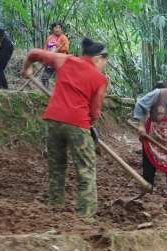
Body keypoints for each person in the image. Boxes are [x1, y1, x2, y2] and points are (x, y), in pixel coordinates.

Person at [20, 38, 109, 216]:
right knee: (86, 170)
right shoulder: (100, 79)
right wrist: (89, 125)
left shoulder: (65, 60)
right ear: (98, 58)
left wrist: (26, 68)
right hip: (78, 124)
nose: (104, 66)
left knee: (57, 166)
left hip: (53, 121)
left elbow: (33, 54)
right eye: (105, 62)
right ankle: (85, 215)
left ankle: (55, 208)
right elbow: (95, 111)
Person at [42, 22, 70, 87]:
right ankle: (45, 91)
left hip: (61, 61)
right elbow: (45, 48)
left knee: (61, 79)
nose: (57, 29)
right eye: (55, 27)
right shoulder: (49, 38)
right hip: (50, 60)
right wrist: (44, 57)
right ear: (53, 29)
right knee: (45, 78)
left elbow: (66, 49)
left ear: (61, 29)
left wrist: (58, 46)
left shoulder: (64, 38)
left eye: (59, 28)